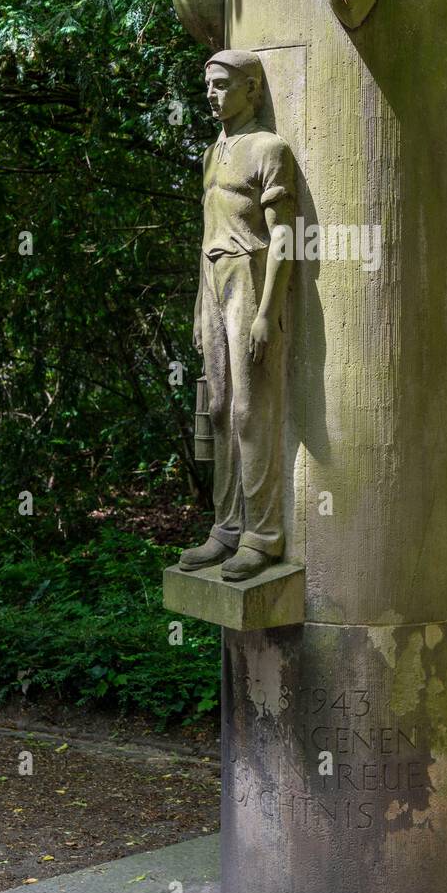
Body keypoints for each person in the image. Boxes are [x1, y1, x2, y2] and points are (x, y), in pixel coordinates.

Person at [178, 49, 295, 581]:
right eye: (207, 84)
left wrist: (268, 311)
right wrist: (200, 302)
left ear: (252, 89)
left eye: (222, 84)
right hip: (213, 280)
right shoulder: (212, 152)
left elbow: (285, 237)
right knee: (220, 405)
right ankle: (224, 529)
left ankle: (262, 536)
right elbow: (206, 235)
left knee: (251, 409)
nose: (210, 93)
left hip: (250, 277)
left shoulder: (269, 149)